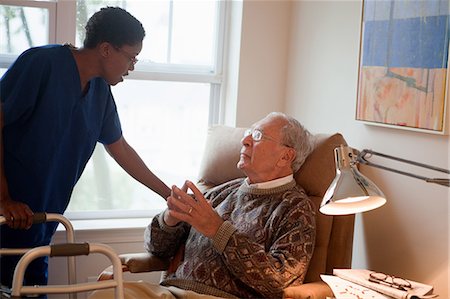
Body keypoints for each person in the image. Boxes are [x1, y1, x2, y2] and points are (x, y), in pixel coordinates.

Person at [0, 7, 171, 288]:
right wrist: (4, 198)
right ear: (106, 49)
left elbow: (121, 150)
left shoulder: (100, 92)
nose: (132, 66)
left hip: (40, 223)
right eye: (130, 57)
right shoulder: (43, 63)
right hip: (7, 216)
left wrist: (168, 194)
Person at [91, 112, 317, 299]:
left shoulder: (296, 208)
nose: (245, 140)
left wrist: (218, 230)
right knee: (105, 296)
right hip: (172, 292)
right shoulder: (222, 191)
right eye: (248, 133)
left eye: (257, 136)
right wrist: (170, 220)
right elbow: (157, 250)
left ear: (286, 156)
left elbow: (278, 282)